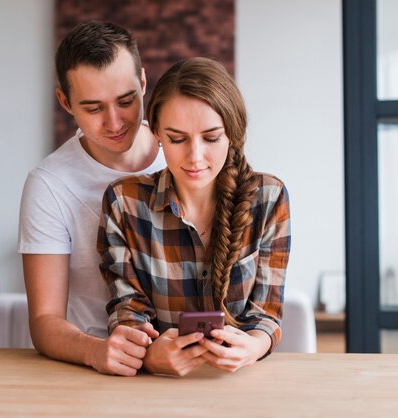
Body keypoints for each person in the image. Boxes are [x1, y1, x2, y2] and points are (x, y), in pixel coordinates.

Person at [97, 57, 291, 376]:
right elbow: (128, 313)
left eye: (212, 138)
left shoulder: (268, 198)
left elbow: (266, 315)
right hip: (154, 384)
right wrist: (149, 356)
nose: (195, 157)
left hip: (241, 382)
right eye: (177, 139)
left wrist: (253, 347)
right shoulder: (124, 202)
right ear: (157, 131)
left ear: (232, 134)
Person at [18, 21, 166, 376]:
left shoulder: (186, 157)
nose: (114, 122)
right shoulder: (49, 184)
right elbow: (44, 320)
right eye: (93, 108)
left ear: (143, 83)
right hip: (102, 372)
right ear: (65, 102)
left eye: (126, 101)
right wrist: (97, 351)